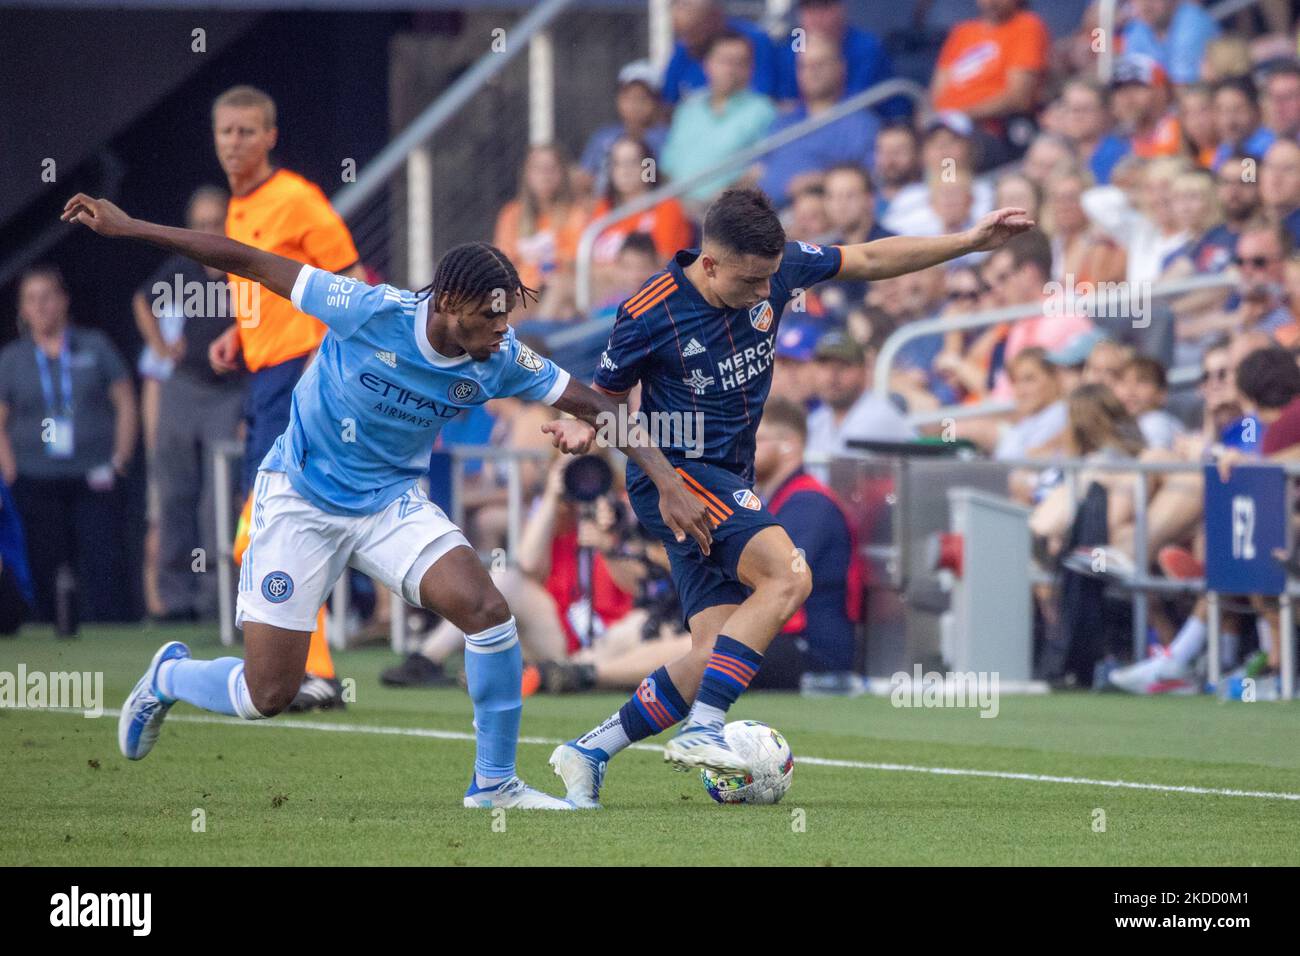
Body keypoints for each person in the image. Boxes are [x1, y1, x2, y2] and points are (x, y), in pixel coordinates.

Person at [63, 192, 712, 810]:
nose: (501, 329)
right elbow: (249, 260)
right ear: (450, 302)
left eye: (506, 315)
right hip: (301, 498)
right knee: (268, 693)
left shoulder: (501, 358)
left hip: (388, 505)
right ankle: (169, 679)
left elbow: (597, 404)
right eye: (490, 316)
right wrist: (132, 228)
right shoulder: (368, 308)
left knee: (486, 609)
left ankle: (495, 785)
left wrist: (667, 479)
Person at [543, 187, 1033, 804]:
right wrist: (599, 433)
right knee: (789, 577)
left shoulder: (777, 268)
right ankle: (704, 730)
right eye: (750, 283)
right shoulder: (648, 311)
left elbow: (872, 259)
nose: (763, 295)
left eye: (770, 281)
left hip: (727, 475)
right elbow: (606, 399)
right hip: (677, 473)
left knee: (711, 654)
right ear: (711, 264)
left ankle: (588, 753)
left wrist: (967, 242)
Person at [205, 84, 362, 710]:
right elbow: (273, 290)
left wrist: (331, 366)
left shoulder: (297, 198)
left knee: (265, 526)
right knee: (271, 526)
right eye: (226, 132)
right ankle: (306, 670)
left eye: (247, 131)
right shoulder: (240, 208)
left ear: (270, 136)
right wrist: (236, 335)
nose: (235, 142)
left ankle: (306, 670)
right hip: (266, 378)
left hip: (301, 377)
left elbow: (348, 282)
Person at [131, 186, 246, 622]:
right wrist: (160, 348)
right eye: (200, 224)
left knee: (220, 500)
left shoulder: (245, 268)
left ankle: (218, 597)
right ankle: (174, 599)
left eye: (215, 222)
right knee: (175, 492)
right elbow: (141, 302)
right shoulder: (179, 268)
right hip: (182, 389)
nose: (208, 230)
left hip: (230, 394)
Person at [0, 265, 137, 625]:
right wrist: (10, 470)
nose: (41, 306)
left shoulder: (94, 345)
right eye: (32, 299)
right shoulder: (13, 358)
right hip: (35, 476)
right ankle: (43, 626)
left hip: (93, 474)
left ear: (63, 300)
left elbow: (125, 399)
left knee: (104, 558)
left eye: (47, 296)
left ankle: (113, 627)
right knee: (42, 558)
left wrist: (121, 457)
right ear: (23, 309)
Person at [754, 32, 880, 206]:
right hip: (765, 216)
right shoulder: (783, 121)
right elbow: (757, 170)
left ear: (840, 68)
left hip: (820, 218)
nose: (811, 72)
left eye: (820, 65)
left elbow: (871, 179)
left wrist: (821, 181)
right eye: (804, 66)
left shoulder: (860, 124)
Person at [660, 30, 777, 206]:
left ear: (750, 69)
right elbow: (668, 164)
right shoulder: (688, 109)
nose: (731, 70)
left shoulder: (764, 111)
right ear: (707, 64)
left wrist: (725, 198)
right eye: (724, 61)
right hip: (677, 208)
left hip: (728, 211)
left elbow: (762, 169)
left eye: (740, 63)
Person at [931, 0, 1050, 166]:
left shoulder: (1027, 26)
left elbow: (1019, 98)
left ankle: (952, 184)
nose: (992, 2)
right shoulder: (962, 31)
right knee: (908, 145)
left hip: (993, 130)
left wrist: (962, 115)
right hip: (947, 126)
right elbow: (938, 91)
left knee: (951, 151)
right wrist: (946, 119)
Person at [588, 136, 694, 302]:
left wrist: (607, 272)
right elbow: (584, 264)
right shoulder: (603, 208)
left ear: (648, 168)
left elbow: (661, 266)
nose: (625, 170)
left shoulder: (666, 207)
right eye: (617, 163)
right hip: (599, 294)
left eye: (632, 163)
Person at [492, 143, 589, 316]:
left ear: (562, 173)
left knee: (565, 310)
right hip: (519, 292)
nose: (545, 176)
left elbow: (577, 260)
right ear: (527, 174)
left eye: (551, 168)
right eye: (538, 169)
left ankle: (534, 336)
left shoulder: (575, 214)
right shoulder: (512, 214)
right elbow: (502, 261)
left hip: (555, 289)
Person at [773, 0, 905, 119]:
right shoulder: (793, 47)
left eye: (824, 8)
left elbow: (853, 105)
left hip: (870, 127)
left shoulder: (866, 46)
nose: (816, 18)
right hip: (806, 129)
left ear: (841, 9)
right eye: (808, 9)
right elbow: (786, 103)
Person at [660, 0, 779, 106]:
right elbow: (669, 100)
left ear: (714, 17)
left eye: (694, 30)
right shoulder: (683, 49)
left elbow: (762, 94)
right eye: (682, 34)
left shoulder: (751, 41)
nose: (689, 41)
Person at [576, 61, 669, 198]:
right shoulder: (604, 137)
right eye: (628, 98)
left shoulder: (664, 139)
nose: (634, 105)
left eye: (642, 98)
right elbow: (584, 177)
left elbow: (661, 180)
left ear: (656, 102)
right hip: (607, 208)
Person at [1120, 0, 1221, 85]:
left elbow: (1183, 87)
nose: (1144, 6)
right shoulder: (1137, 28)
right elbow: (1133, 83)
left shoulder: (1193, 22)